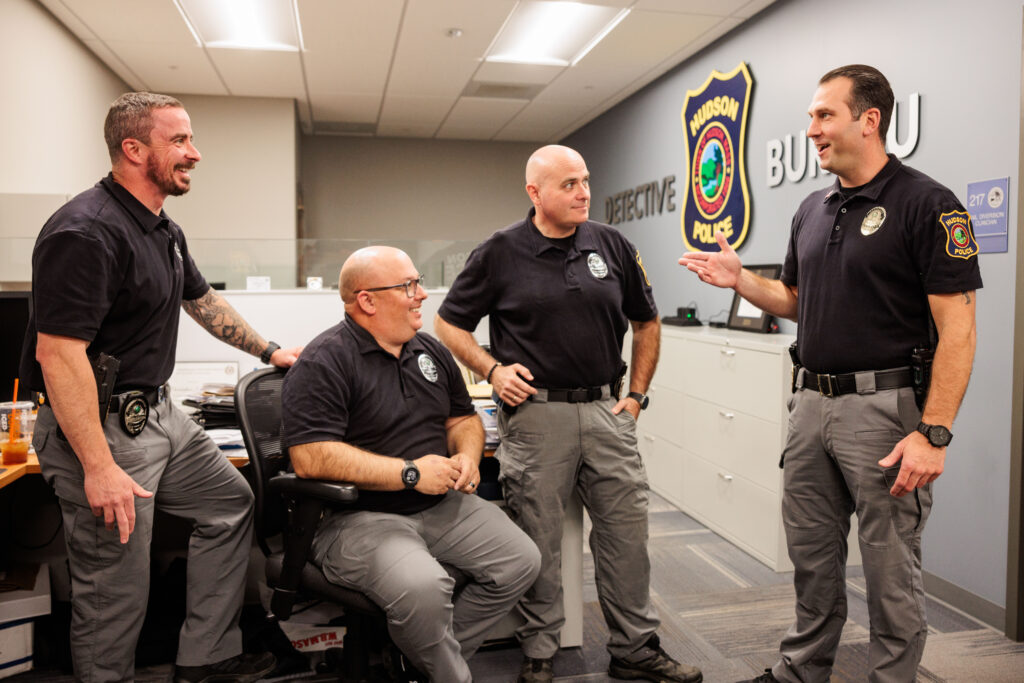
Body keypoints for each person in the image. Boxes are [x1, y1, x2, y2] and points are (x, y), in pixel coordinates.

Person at [680, 65, 981, 683]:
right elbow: (794, 299)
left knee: (890, 566)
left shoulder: (927, 203)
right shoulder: (812, 208)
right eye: (811, 116)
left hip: (884, 411)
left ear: (868, 121)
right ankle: (801, 669)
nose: (811, 129)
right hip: (810, 405)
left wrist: (935, 432)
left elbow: (960, 330)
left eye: (824, 115)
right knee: (812, 557)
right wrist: (740, 282)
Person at [20, 92, 302, 683]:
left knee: (231, 505)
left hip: (160, 415)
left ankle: (206, 658)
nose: (194, 153)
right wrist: (97, 466)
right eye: (179, 141)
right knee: (114, 585)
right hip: (98, 426)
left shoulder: (160, 228)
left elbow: (201, 301)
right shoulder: (86, 231)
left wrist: (271, 350)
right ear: (133, 149)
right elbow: (58, 353)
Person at [435, 145, 703, 683]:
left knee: (626, 534)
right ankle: (540, 648)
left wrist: (636, 397)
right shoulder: (500, 251)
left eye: (585, 181)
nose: (583, 192)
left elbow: (646, 323)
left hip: (608, 411)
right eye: (568, 184)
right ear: (535, 193)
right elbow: (448, 325)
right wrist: (492, 371)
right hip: (537, 417)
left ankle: (634, 647)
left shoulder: (612, 244)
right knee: (539, 538)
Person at [280, 246, 541, 683]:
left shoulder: (429, 352)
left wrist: (467, 456)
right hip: (358, 518)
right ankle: (448, 675)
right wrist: (410, 472)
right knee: (425, 590)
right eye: (408, 286)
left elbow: (463, 419)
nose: (421, 294)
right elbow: (310, 458)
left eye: (417, 282)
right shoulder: (324, 361)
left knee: (521, 561)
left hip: (439, 506)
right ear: (367, 301)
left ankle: (419, 659)